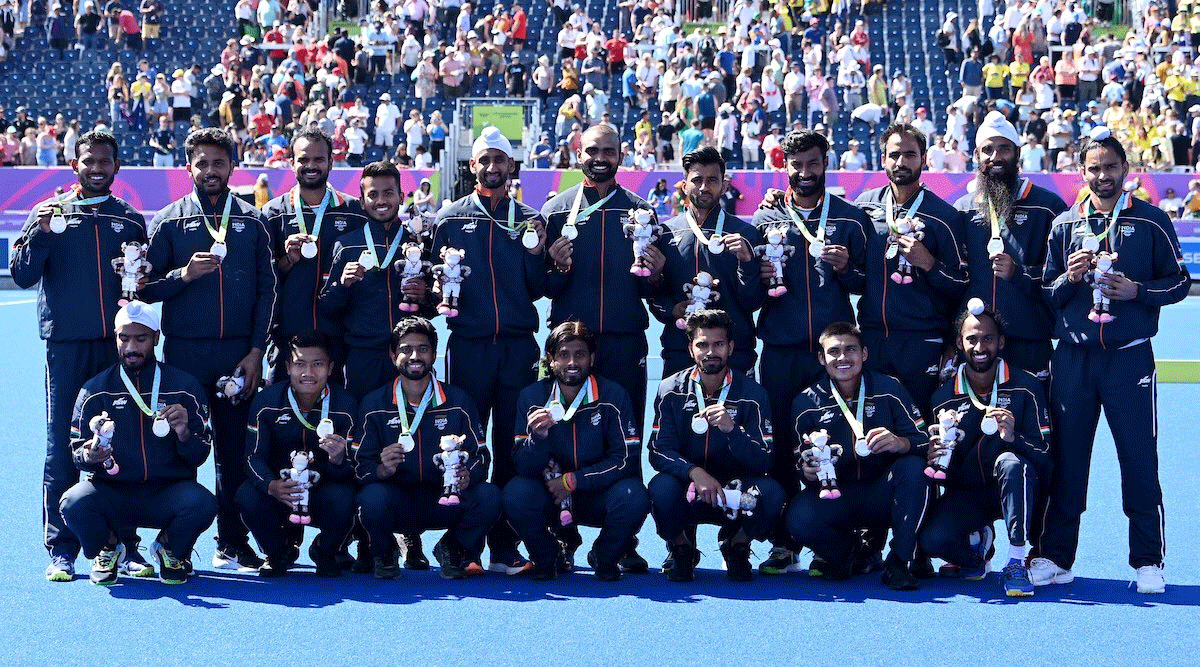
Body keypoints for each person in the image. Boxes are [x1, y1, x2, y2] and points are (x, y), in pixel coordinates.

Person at [1034, 127, 1191, 594]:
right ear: (1081, 173)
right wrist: (1069, 277)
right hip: (1074, 362)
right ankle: (1056, 557)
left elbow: (1180, 282)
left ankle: (1147, 561)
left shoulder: (1151, 221)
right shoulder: (1065, 225)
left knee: (1139, 460)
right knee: (1067, 462)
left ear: (1126, 171)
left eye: (1111, 167)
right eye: (1094, 168)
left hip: (1128, 361)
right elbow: (1048, 294)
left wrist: (1137, 292)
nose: (1103, 175)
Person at [9, 131, 150, 582]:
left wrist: (140, 276)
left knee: (124, 441)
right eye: (89, 160)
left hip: (119, 349)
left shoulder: (128, 220)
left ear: (116, 167)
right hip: (66, 346)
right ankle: (62, 547)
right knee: (61, 446)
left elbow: (139, 285)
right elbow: (23, 274)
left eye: (105, 161)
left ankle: (126, 544)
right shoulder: (47, 213)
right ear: (74, 165)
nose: (97, 168)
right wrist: (44, 235)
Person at [141, 127, 276, 572]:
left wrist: (257, 352)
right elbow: (144, 290)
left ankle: (232, 540)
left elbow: (266, 293)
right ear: (188, 168)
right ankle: (175, 542)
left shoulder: (252, 221)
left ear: (232, 167)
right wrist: (183, 276)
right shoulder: (168, 220)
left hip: (237, 357)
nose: (211, 170)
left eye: (219, 162)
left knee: (234, 455)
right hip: (183, 358)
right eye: (202, 162)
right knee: (181, 448)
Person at [540, 124, 659, 573]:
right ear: (578, 153)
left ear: (622, 155)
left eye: (609, 150)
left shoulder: (641, 212)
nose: (600, 157)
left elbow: (656, 289)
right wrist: (555, 267)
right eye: (592, 150)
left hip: (626, 345)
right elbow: (542, 287)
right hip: (570, 351)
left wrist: (659, 272)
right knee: (562, 440)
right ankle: (563, 531)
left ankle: (621, 538)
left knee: (622, 442)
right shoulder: (555, 211)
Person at [431, 127, 549, 576]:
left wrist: (543, 254)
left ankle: (503, 544)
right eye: (485, 160)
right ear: (472, 166)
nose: (493, 167)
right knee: (465, 445)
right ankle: (465, 543)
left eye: (501, 160)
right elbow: (432, 289)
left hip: (519, 348)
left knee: (511, 447)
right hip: (470, 348)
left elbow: (541, 289)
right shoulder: (448, 219)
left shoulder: (530, 219)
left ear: (511, 166)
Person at [752, 129, 869, 575]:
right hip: (781, 350)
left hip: (833, 355)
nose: (805, 173)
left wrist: (848, 270)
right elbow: (750, 290)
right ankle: (785, 540)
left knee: (839, 444)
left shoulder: (850, 219)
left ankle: (837, 536)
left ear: (826, 163)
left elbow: (868, 284)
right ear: (785, 167)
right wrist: (759, 275)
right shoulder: (764, 221)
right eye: (796, 165)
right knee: (782, 445)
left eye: (813, 164)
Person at [59, 301, 217, 585]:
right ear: (115, 338)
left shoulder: (185, 387)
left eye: (141, 338)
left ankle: (168, 548)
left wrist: (183, 432)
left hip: (166, 492)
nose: (131, 347)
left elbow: (199, 455)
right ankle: (110, 547)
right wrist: (91, 455)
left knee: (203, 503)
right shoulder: (95, 390)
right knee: (73, 503)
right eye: (124, 338)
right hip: (114, 492)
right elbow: (75, 453)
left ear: (156, 338)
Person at [354, 318, 501, 580]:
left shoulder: (458, 401)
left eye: (422, 349)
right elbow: (358, 466)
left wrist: (469, 476)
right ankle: (385, 549)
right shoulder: (374, 403)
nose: (414, 356)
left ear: (434, 354)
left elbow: (481, 457)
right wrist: (380, 469)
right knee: (371, 499)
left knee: (490, 496)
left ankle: (452, 547)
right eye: (405, 349)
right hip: (397, 500)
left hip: (443, 499)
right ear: (392, 354)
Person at [787, 322, 930, 589]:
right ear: (821, 358)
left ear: (864, 353)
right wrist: (806, 471)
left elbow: (925, 441)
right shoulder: (806, 403)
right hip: (838, 494)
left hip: (883, 492)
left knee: (914, 469)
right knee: (798, 516)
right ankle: (851, 553)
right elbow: (798, 460)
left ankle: (899, 561)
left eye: (850, 350)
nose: (843, 358)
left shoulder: (889, 388)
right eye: (834, 351)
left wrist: (901, 443)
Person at [921, 302, 1051, 597]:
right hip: (968, 494)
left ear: (1001, 342)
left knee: (1010, 462)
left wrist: (1014, 436)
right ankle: (976, 547)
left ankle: (1017, 560)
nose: (980, 346)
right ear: (959, 343)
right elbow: (943, 468)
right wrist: (935, 457)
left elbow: (1045, 456)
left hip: (1017, 487)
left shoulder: (1026, 387)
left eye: (988, 338)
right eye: (972, 339)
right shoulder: (943, 397)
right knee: (932, 541)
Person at [504, 321, 648, 580]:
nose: (572, 362)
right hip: (550, 495)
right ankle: (547, 556)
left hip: (596, 494)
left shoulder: (613, 395)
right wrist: (537, 438)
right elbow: (522, 465)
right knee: (516, 493)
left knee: (634, 496)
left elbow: (625, 459)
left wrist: (574, 480)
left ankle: (605, 556)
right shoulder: (531, 397)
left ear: (592, 358)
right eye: (563, 355)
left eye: (580, 354)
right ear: (550, 360)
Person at [647, 309, 783, 582]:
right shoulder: (670, 389)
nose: (711, 352)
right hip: (691, 488)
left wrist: (733, 431)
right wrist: (694, 473)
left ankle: (738, 545)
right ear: (690, 348)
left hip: (734, 494)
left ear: (730, 347)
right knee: (659, 488)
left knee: (772, 493)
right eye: (702, 344)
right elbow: (658, 451)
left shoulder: (753, 394)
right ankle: (682, 548)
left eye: (718, 344)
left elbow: (764, 460)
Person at [853, 123, 968, 418]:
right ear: (882, 159)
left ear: (924, 158)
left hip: (922, 344)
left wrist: (928, 263)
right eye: (894, 155)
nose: (901, 162)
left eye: (909, 154)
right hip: (874, 341)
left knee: (924, 430)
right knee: (874, 429)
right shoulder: (864, 208)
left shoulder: (945, 216)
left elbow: (962, 284)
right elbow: (854, 276)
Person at [954, 111, 1067, 382]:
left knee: (1035, 421)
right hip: (977, 346)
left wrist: (1020, 273)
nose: (995, 157)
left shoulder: (1048, 207)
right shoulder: (963, 209)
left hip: (1030, 340)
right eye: (987, 150)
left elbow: (1063, 277)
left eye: (1004, 148)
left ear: (1017, 153)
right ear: (977, 157)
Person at [236, 330, 358, 577]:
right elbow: (253, 457)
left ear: (331, 367)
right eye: (300, 364)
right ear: (288, 367)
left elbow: (355, 467)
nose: (308, 373)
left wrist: (338, 460)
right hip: (281, 491)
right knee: (247, 495)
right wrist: (271, 485)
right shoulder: (267, 402)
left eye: (317, 364)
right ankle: (278, 552)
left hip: (322, 491)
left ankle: (325, 551)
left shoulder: (345, 406)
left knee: (348, 498)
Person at [261, 128, 367, 383]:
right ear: (291, 163)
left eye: (318, 159)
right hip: (288, 338)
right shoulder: (273, 213)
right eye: (303, 159)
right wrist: (286, 261)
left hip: (339, 339)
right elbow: (262, 278)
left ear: (331, 161)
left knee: (337, 415)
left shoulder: (354, 211)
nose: (311, 166)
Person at [319, 161, 430, 401]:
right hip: (363, 356)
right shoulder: (346, 245)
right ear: (361, 201)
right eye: (373, 194)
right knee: (364, 428)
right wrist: (342, 285)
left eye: (388, 193)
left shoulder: (419, 243)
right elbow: (326, 307)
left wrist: (426, 295)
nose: (381, 201)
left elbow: (438, 304)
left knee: (411, 428)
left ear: (401, 196)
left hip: (411, 355)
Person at [651, 146, 763, 377]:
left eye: (712, 180)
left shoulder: (746, 234)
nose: (704, 187)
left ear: (724, 185)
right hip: (680, 353)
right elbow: (652, 295)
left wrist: (747, 264)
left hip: (735, 354)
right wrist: (672, 310)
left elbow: (753, 301)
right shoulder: (665, 233)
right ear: (684, 185)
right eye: (697, 180)